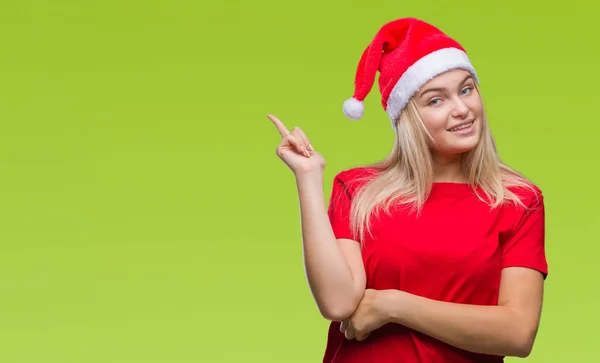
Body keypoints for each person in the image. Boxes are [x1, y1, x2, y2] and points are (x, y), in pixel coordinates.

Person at [267, 17, 548, 363]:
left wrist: (393, 305)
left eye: (466, 89)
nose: (462, 109)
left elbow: (518, 334)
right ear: (408, 117)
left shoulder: (518, 201)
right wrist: (309, 177)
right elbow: (338, 303)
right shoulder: (359, 190)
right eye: (435, 101)